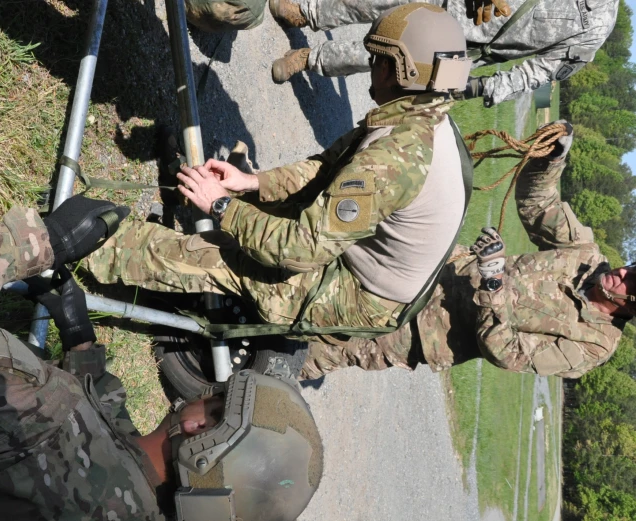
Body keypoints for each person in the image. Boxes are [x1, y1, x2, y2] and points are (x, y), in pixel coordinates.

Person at [0, 197, 323, 520]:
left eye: (218, 398)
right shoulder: (143, 501)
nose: (208, 392)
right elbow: (117, 446)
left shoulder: (39, 417)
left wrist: (42, 240)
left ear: (201, 429)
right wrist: (81, 342)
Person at [85, 4, 472, 340]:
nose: (370, 70)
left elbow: (298, 250)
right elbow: (325, 169)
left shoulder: (395, 158)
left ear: (394, 70)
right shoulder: (419, 114)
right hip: (354, 252)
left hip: (359, 293)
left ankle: (84, 242)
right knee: (248, 204)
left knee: (223, 259)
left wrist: (221, 207)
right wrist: (252, 183)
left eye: (375, 61)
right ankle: (188, 193)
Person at [301, 120, 636, 380]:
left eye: (631, 282)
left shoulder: (594, 345)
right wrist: (551, 160)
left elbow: (508, 354)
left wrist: (493, 284)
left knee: (311, 354)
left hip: (418, 332)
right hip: (426, 267)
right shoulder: (586, 256)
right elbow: (538, 205)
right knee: (310, 279)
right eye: (631, 268)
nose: (622, 272)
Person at [268, 0, 619, 107]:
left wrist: (480, 88)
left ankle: (308, 59)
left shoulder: (597, 28)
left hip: (463, 51)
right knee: (373, 1)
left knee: (381, 61)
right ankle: (309, 13)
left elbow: (538, 73)